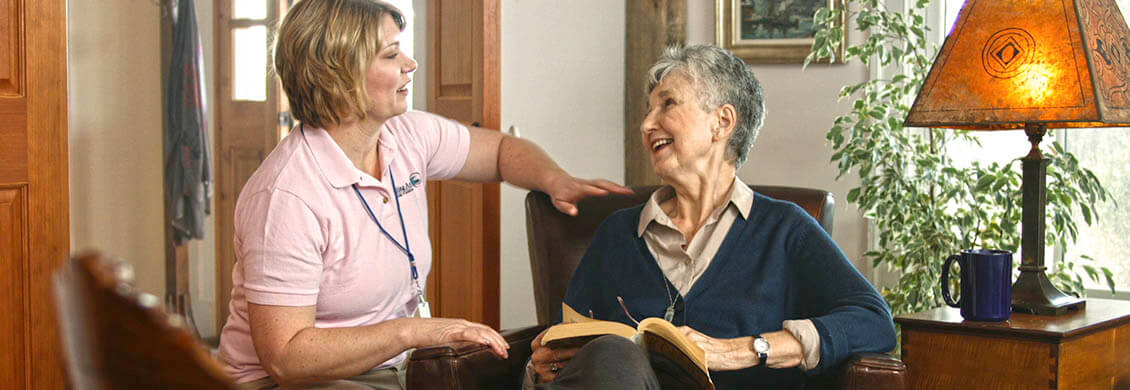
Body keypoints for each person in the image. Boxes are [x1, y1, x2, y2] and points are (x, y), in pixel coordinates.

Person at [216, 1, 631, 389]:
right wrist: (413, 332)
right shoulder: (286, 196)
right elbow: (286, 357)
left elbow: (503, 151)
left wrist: (554, 179)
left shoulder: (405, 134)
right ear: (341, 73)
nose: (410, 64)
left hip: (386, 368)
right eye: (391, 54)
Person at [525, 44, 896, 389]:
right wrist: (542, 364)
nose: (646, 124)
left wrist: (745, 350)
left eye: (667, 104)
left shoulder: (785, 230)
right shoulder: (618, 234)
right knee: (612, 353)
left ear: (722, 122)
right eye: (648, 110)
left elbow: (874, 322)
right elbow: (561, 349)